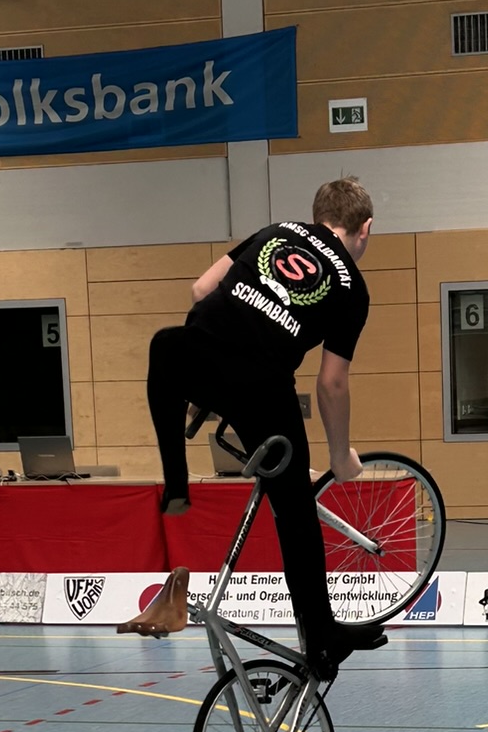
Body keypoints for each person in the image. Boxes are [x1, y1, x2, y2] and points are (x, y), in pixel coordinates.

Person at [121, 176, 386, 681]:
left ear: (316, 217)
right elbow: (331, 383)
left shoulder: (275, 231)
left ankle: (176, 481)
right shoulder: (352, 287)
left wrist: (207, 383)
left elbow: (201, 289)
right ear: (364, 228)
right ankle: (321, 636)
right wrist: (340, 456)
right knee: (295, 512)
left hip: (200, 354)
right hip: (263, 386)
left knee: (166, 347)